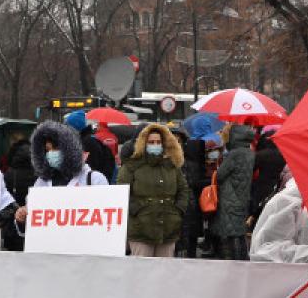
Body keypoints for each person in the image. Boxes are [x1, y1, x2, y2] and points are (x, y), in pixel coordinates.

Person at [11, 121, 110, 237]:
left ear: (70, 149)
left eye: (56, 148)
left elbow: (107, 224)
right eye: (47, 150)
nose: (51, 154)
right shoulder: (41, 182)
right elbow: (31, 230)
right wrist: (22, 219)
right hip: (50, 250)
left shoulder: (94, 180)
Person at [117, 123, 188, 257]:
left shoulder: (172, 166)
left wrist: (178, 210)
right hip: (140, 230)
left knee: (164, 273)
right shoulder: (131, 166)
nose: (155, 145)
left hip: (168, 228)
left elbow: (183, 190)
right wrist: (137, 210)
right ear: (143, 143)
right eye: (151, 142)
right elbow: (122, 191)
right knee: (142, 273)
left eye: (158, 142)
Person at [210, 124, 255, 260]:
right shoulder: (249, 152)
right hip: (241, 197)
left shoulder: (234, 154)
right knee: (239, 233)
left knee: (229, 236)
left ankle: (233, 264)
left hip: (229, 199)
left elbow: (220, 175)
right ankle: (243, 261)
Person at [64, 109, 116, 184]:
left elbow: (90, 168)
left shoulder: (87, 143)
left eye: (68, 127)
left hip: (93, 185)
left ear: (75, 127)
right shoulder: (87, 140)